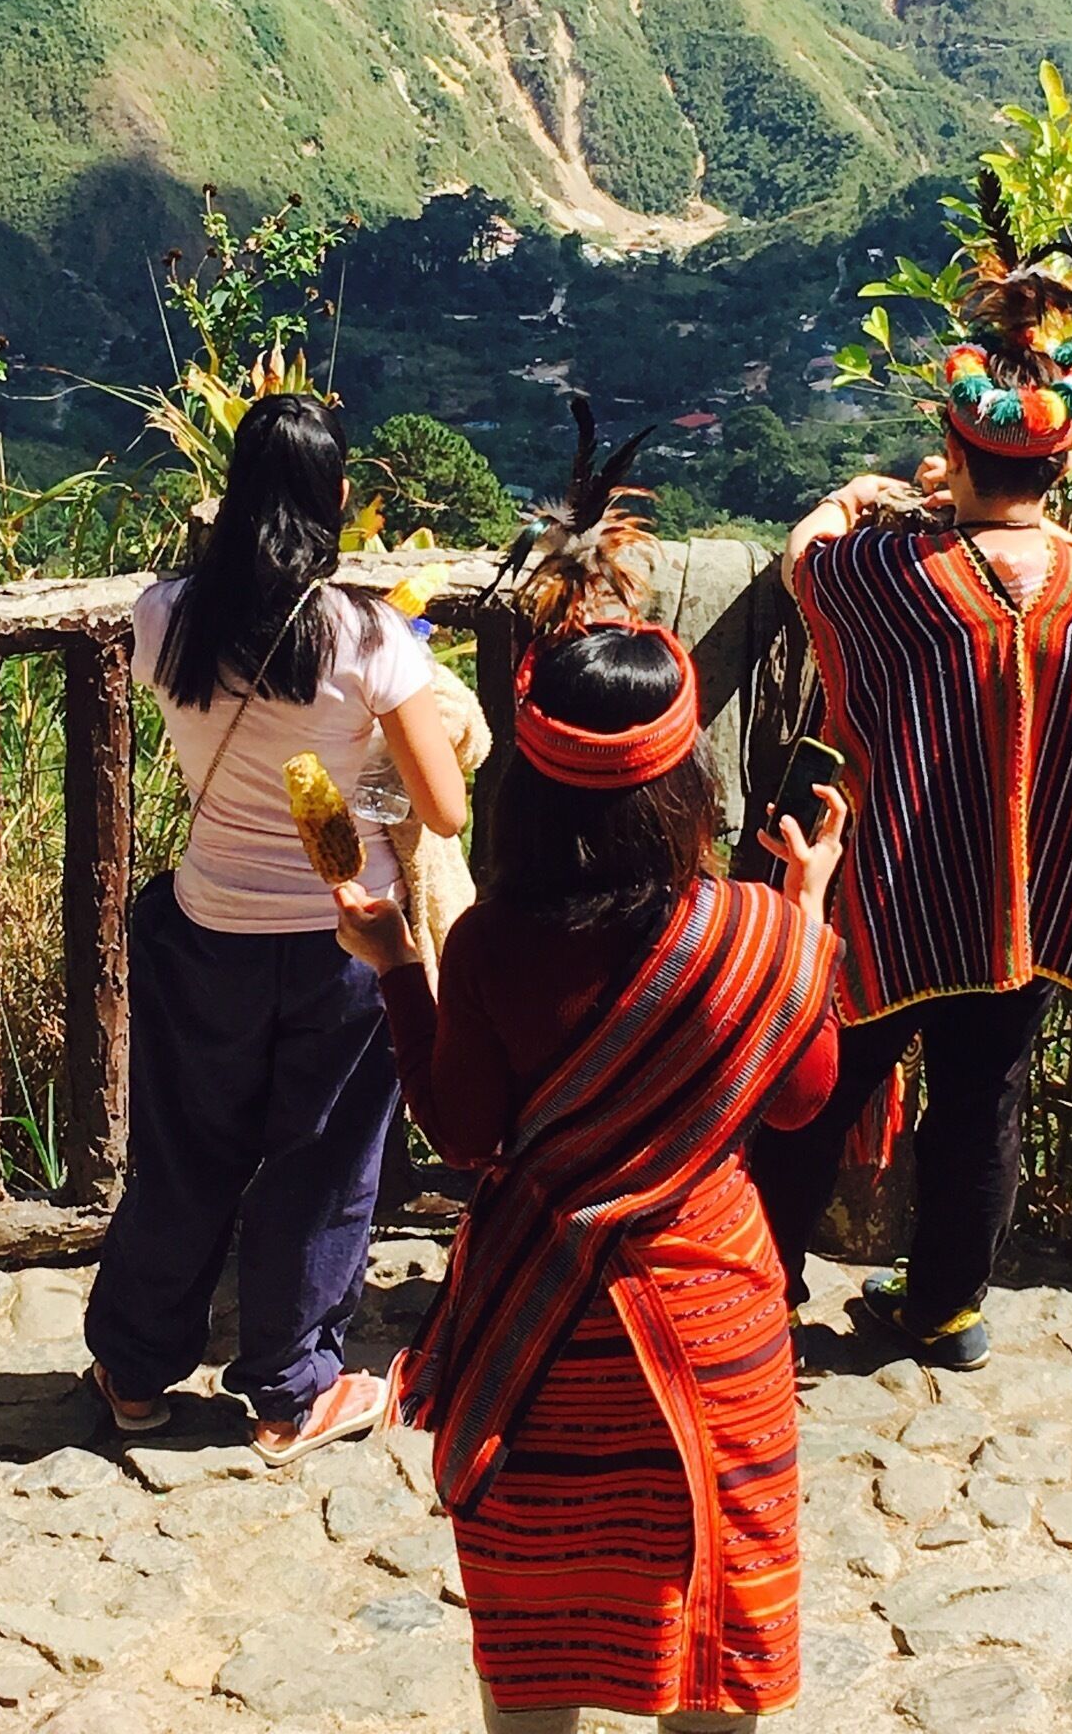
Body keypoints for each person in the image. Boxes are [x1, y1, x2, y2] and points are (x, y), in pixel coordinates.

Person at [337, 547, 846, 1731]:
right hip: (710, 1319)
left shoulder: (497, 949)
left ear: (534, 786)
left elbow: (464, 1134)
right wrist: (808, 910)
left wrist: (402, 971)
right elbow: (804, 1098)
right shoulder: (757, 930)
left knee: (540, 1647)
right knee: (713, 1626)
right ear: (687, 786)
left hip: (544, 1335)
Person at [751, 239, 1072, 1372]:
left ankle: (764, 1285)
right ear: (1062, 465)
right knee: (983, 1101)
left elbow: (805, 561)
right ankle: (944, 1308)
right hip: (1026, 896)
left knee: (819, 1084)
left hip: (893, 886)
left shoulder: (890, 574)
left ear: (952, 447)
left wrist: (853, 498)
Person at [85, 394, 468, 1462]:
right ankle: (289, 1389)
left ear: (234, 494)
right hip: (345, 938)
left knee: (184, 1151)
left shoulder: (164, 615)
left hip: (209, 919)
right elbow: (444, 809)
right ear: (337, 502)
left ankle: (134, 1365)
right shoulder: (369, 638)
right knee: (323, 1162)